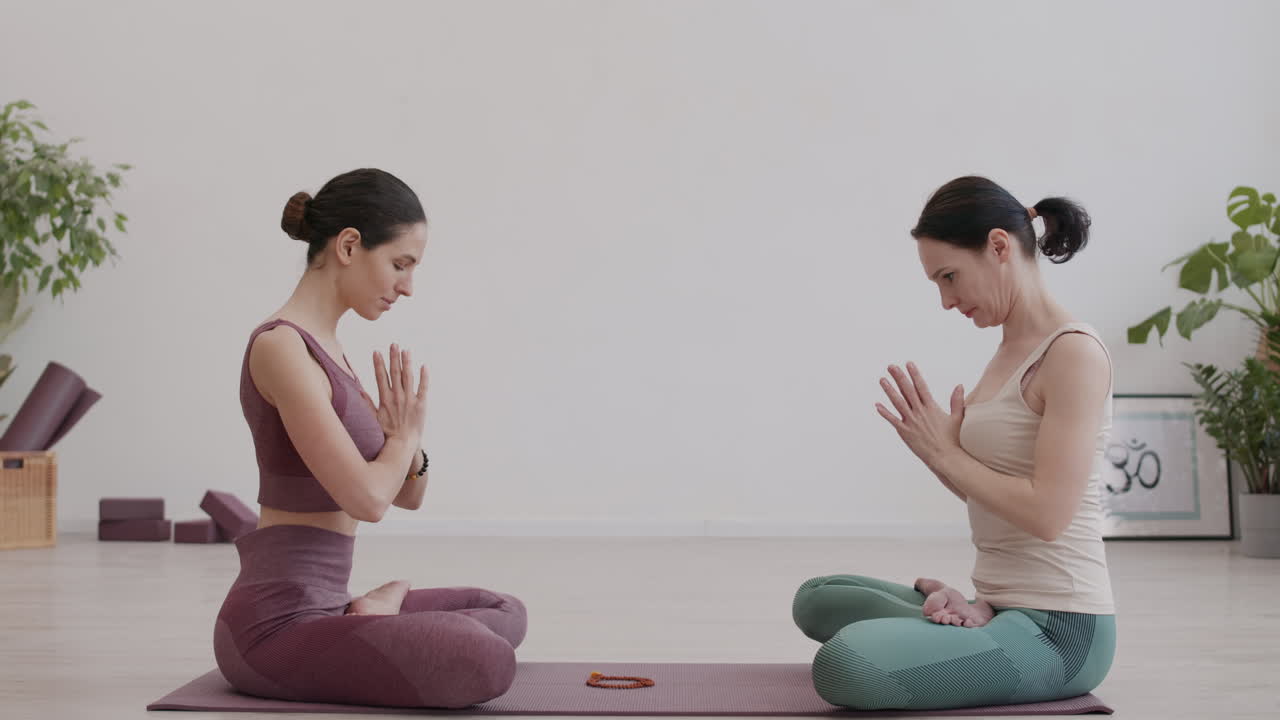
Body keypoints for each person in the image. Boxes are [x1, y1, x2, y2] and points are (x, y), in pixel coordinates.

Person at [792, 176, 1116, 711]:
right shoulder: (1009, 350)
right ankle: (973, 621)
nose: (945, 301)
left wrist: (946, 453)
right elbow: (987, 494)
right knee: (818, 600)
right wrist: (936, 453)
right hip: (1000, 607)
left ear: (998, 247)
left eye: (949, 276)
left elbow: (1048, 514)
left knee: (845, 664)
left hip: (1060, 632)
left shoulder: (1074, 354)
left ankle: (969, 632)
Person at [213, 168, 527, 708]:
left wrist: (409, 439)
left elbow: (409, 493)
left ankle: (372, 610)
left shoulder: (330, 350)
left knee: (506, 612)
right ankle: (374, 612)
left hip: (329, 606)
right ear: (349, 246)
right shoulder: (282, 347)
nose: (408, 286)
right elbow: (368, 500)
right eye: (400, 264)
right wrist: (404, 439)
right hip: (275, 627)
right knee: (485, 659)